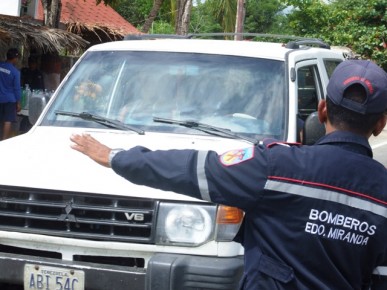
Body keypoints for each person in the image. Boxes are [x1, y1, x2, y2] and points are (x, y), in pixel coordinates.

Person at [70, 59, 387, 290]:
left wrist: (116, 157)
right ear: (380, 124)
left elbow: (190, 168)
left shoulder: (275, 167)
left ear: (321, 111)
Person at [20, 55, 45, 133]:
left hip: (35, 97)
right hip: (25, 96)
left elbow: (42, 88)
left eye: (33, 63)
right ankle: (24, 129)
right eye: (30, 63)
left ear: (36, 64)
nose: (32, 65)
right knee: (25, 114)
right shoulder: (25, 72)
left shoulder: (39, 74)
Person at [0, 48, 21, 140]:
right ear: (15, 58)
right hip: (10, 100)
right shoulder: (15, 72)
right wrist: (18, 102)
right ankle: (4, 141)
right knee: (7, 121)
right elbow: (17, 89)